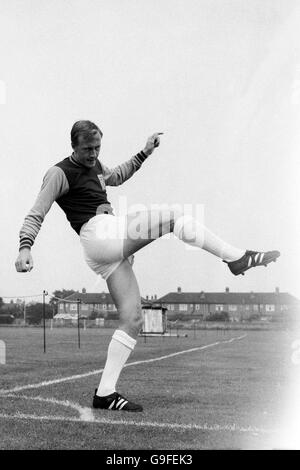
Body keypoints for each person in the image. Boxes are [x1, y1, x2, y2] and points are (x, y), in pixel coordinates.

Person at [15, 120, 280, 412]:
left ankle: (104, 393)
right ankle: (236, 257)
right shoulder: (59, 173)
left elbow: (117, 175)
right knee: (173, 216)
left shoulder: (97, 166)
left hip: (107, 247)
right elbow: (37, 211)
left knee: (133, 320)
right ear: (73, 146)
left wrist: (144, 153)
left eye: (97, 147)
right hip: (98, 235)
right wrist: (25, 246)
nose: (93, 153)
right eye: (87, 148)